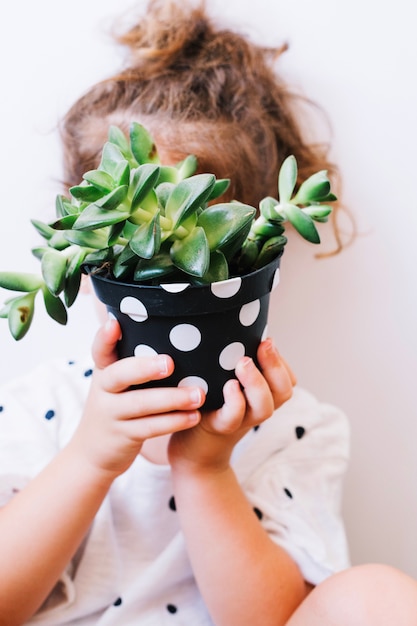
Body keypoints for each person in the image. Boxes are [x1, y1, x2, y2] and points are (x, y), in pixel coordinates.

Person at [0, 1, 415, 624]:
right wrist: (90, 456)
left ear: (254, 257)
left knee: (376, 595)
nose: (169, 285)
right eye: (135, 255)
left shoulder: (293, 425)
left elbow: (275, 618)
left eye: (195, 259)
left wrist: (203, 469)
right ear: (78, 244)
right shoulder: (44, 407)